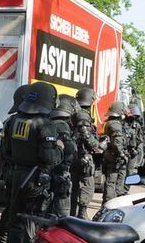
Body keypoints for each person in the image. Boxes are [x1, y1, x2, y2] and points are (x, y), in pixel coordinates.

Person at [3, 82, 63, 243]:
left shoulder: (13, 121)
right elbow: (49, 158)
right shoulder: (46, 125)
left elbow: (6, 152)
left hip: (16, 176)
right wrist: (60, 149)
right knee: (32, 224)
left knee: (14, 222)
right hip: (36, 179)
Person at [0, 84, 32, 243]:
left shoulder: (10, 121)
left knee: (11, 210)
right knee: (16, 213)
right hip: (18, 173)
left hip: (12, 172)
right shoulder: (15, 122)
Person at [70, 87, 99, 218]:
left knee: (75, 186)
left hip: (76, 155)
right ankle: (82, 214)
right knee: (88, 186)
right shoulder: (83, 115)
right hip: (83, 156)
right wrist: (96, 145)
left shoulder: (76, 113)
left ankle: (73, 214)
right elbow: (85, 134)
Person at [49, 95, 77, 216]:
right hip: (59, 172)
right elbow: (70, 150)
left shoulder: (49, 122)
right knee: (61, 213)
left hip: (48, 171)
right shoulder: (62, 125)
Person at [101, 101, 127, 203]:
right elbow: (117, 142)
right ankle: (109, 203)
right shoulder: (116, 125)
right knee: (112, 181)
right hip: (114, 156)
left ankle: (106, 202)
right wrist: (122, 154)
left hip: (109, 155)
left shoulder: (108, 122)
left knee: (110, 180)